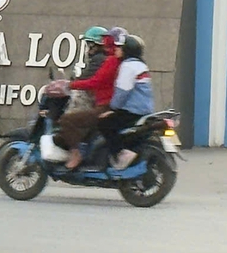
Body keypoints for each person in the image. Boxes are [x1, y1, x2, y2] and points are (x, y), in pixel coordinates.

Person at [52, 28, 124, 169]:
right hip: (107, 103)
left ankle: (76, 154)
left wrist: (70, 85)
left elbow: (94, 81)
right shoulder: (120, 62)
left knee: (67, 120)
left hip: (104, 105)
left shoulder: (108, 61)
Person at [99, 34, 155, 170]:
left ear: (127, 50)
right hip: (144, 110)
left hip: (132, 111)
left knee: (104, 124)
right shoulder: (140, 65)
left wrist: (112, 109)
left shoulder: (128, 66)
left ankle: (119, 154)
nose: (116, 49)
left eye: (120, 47)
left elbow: (122, 92)